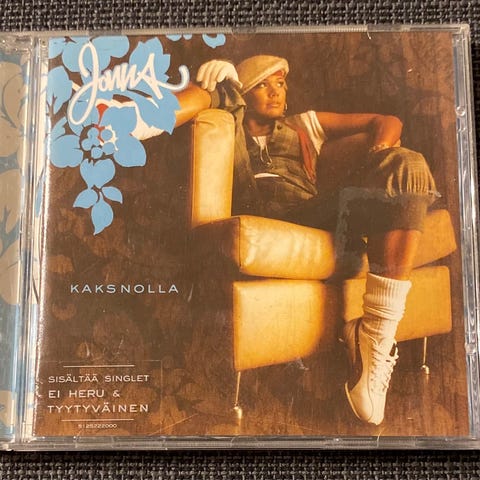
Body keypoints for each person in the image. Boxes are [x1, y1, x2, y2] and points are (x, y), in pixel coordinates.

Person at [140, 55, 438, 425]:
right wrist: (221, 83)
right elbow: (206, 97)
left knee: (408, 165)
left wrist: (380, 152)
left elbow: (387, 121)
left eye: (280, 84)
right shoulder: (232, 115)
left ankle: (375, 338)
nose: (276, 92)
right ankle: (133, 121)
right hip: (266, 214)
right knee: (220, 93)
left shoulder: (302, 124)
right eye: (263, 85)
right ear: (246, 92)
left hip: (314, 212)